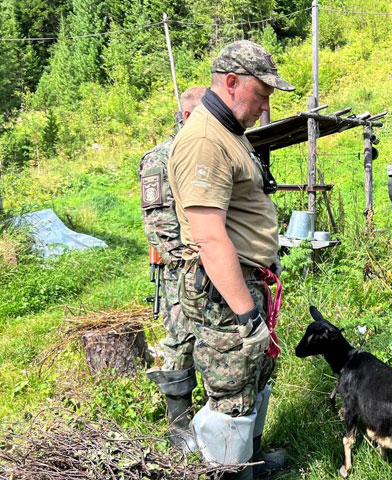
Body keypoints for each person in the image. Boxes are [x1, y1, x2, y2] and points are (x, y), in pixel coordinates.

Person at [168, 40, 294, 480]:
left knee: (254, 377)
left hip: (247, 280)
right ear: (232, 83)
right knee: (231, 394)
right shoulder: (204, 139)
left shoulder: (228, 133)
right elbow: (208, 236)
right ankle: (231, 473)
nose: (264, 107)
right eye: (261, 94)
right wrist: (245, 315)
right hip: (225, 291)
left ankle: (252, 463)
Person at [139, 86, 206, 453]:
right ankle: (180, 428)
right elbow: (159, 227)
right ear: (186, 117)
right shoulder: (161, 158)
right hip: (180, 270)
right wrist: (190, 261)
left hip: (211, 265)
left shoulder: (205, 152)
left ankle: (217, 427)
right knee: (180, 339)